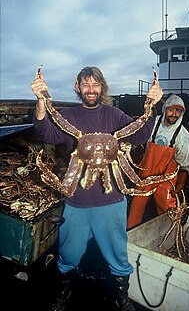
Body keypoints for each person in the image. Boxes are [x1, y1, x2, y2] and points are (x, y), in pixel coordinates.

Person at [31, 66, 163, 311]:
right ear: (78, 87)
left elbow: (139, 135)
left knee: (118, 255)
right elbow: (44, 133)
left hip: (111, 202)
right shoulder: (69, 116)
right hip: (76, 203)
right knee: (69, 253)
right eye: (85, 85)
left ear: (102, 87)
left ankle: (122, 298)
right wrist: (41, 101)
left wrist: (152, 105)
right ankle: (62, 292)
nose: (91, 90)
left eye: (95, 85)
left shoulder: (114, 115)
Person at [127, 94, 189, 229]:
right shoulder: (153, 122)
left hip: (166, 178)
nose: (174, 114)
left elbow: (185, 164)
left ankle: (170, 237)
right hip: (146, 173)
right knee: (136, 205)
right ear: (164, 110)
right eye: (171, 110)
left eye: (178, 111)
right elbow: (137, 138)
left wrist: (180, 184)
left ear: (182, 113)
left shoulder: (183, 135)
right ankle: (131, 234)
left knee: (168, 210)